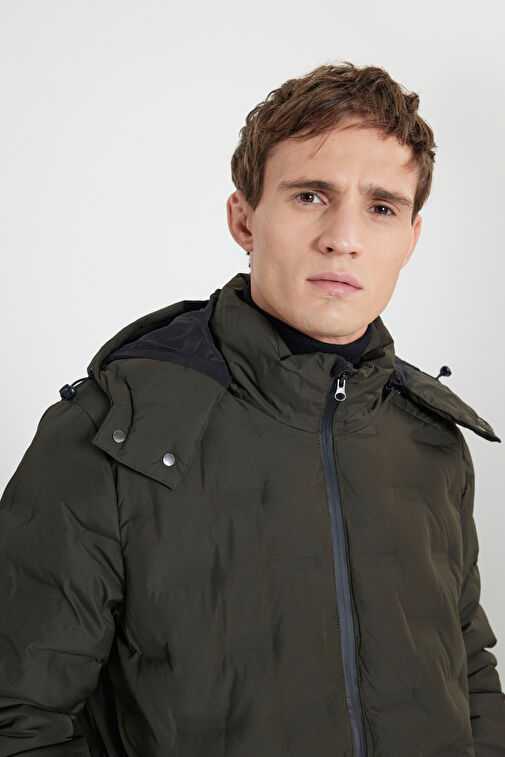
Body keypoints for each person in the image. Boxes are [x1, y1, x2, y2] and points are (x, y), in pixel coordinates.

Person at [0, 60, 503, 757]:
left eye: (381, 207)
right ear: (244, 218)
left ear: (410, 238)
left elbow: (468, 672)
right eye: (310, 196)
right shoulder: (116, 431)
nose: (344, 237)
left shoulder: (430, 440)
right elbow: (19, 718)